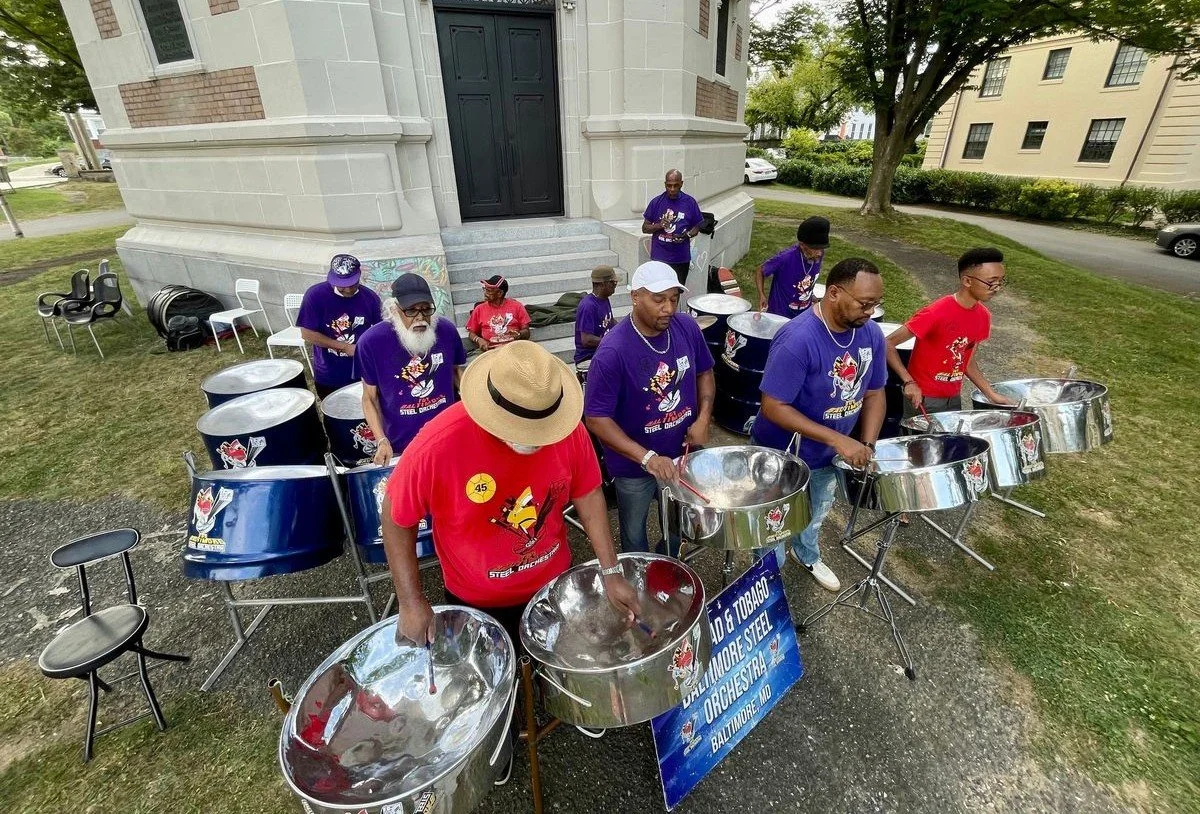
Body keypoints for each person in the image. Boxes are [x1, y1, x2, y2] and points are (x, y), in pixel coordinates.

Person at [381, 340, 640, 648]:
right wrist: (410, 601)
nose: (534, 439)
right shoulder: (437, 444)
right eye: (522, 427)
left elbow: (588, 492)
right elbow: (396, 514)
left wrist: (611, 571)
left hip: (554, 587)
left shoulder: (567, 429)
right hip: (478, 602)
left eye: (542, 428)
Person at [750, 258, 888, 591]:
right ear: (835, 293)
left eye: (876, 304)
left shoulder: (870, 335)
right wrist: (838, 439)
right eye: (864, 303)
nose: (870, 311)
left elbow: (875, 393)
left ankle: (807, 554)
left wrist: (866, 444)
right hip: (780, 456)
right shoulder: (797, 340)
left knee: (815, 514)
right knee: (773, 524)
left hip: (828, 456)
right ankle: (765, 575)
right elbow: (773, 406)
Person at [584, 261, 715, 555]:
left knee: (677, 523)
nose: (668, 308)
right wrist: (647, 458)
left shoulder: (687, 328)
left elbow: (704, 372)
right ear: (635, 297)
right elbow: (595, 418)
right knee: (634, 531)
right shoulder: (612, 351)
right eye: (658, 299)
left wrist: (704, 418)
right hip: (634, 466)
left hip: (681, 453)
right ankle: (641, 575)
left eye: (673, 298)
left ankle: (670, 565)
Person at [886, 247, 1014, 416]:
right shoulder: (936, 312)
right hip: (924, 399)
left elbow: (967, 361)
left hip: (953, 397)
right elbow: (887, 343)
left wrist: (990, 394)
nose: (996, 288)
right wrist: (909, 382)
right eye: (991, 282)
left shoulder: (983, 316)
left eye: (1000, 281)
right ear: (967, 281)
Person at [356, 273, 466, 464]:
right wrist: (382, 441)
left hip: (448, 433)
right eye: (411, 311)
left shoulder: (447, 331)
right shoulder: (371, 342)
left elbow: (457, 373)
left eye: (426, 310)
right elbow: (369, 398)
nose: (420, 318)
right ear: (394, 310)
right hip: (403, 443)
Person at [297, 254, 382, 398]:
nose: (348, 289)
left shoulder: (370, 298)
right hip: (329, 373)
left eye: (352, 283)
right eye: (342, 285)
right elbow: (307, 333)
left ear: (359, 275)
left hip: (362, 371)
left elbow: (380, 331)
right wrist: (344, 347)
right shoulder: (315, 296)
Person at [754, 216, 829, 318]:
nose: (820, 253)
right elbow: (760, 271)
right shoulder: (785, 258)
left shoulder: (817, 255)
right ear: (802, 245)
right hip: (780, 315)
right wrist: (762, 295)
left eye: (822, 248)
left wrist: (811, 296)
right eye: (815, 248)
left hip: (803, 315)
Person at [642, 169, 705, 286]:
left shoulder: (690, 202)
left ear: (681, 184)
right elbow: (645, 228)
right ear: (665, 184)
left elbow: (697, 226)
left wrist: (686, 235)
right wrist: (660, 225)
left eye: (676, 185)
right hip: (660, 258)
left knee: (675, 294)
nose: (672, 189)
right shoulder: (656, 202)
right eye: (669, 186)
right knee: (659, 293)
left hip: (681, 259)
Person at [465, 275, 531, 352]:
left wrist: (519, 334)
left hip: (513, 350)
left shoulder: (517, 306)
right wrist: (479, 340)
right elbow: (471, 333)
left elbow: (527, 332)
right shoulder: (479, 309)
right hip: (491, 351)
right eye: (485, 289)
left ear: (500, 293)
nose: (485, 293)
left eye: (489, 291)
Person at [574, 265, 619, 365]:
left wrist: (624, 330)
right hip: (588, 357)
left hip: (602, 351)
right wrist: (612, 342)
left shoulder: (604, 299)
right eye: (613, 283)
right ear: (602, 284)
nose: (615, 286)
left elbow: (610, 321)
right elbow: (587, 340)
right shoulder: (588, 306)